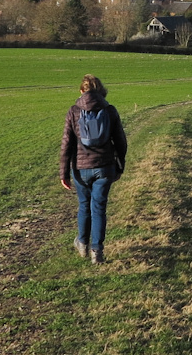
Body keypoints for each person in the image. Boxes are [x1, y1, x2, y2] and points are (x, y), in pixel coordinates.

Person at [60, 74, 127, 264]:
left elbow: (66, 144)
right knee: (99, 208)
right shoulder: (110, 110)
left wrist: (63, 173)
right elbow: (120, 141)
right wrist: (120, 165)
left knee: (84, 206)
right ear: (100, 90)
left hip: (80, 169)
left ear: (82, 91)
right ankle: (97, 251)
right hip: (105, 168)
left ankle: (82, 243)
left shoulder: (73, 111)